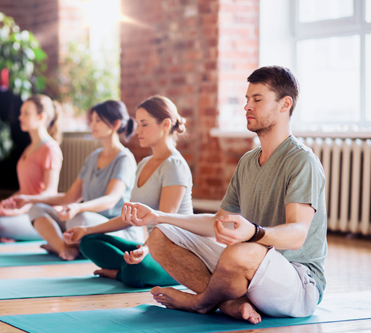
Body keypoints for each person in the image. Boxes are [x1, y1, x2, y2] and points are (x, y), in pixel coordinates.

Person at [123, 66, 327, 324]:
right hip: (250, 266)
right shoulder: (248, 161)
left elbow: (297, 234)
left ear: (285, 104)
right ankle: (231, 303)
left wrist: (253, 232)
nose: (247, 107)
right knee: (160, 235)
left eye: (257, 99)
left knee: (240, 252)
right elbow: (217, 222)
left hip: (298, 283)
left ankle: (200, 302)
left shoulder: (301, 161)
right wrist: (158, 217)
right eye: (246, 99)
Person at [63, 95, 193, 288]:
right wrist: (87, 230)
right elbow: (128, 216)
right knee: (89, 242)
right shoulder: (144, 164)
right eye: (138, 124)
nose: (138, 130)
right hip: (150, 248)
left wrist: (147, 249)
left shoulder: (174, 165)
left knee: (138, 270)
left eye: (144, 124)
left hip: (177, 252)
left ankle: (121, 273)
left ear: (165, 124)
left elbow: (164, 223)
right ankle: (127, 268)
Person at [12, 100, 138, 260]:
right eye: (92, 120)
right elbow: (69, 197)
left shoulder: (124, 158)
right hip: (87, 222)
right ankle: (63, 247)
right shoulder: (93, 157)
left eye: (98, 120)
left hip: (113, 226)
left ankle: (64, 244)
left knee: (78, 218)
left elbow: (110, 200)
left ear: (115, 124)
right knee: (37, 209)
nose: (92, 124)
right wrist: (29, 199)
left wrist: (78, 208)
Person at [0, 95, 63, 241]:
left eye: (26, 113)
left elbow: (50, 193)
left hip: (39, 215)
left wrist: (19, 212)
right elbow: (24, 191)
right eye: (21, 112)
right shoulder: (29, 149)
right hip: (23, 211)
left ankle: (22, 231)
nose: (20, 117)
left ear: (41, 117)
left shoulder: (50, 149)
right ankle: (13, 230)